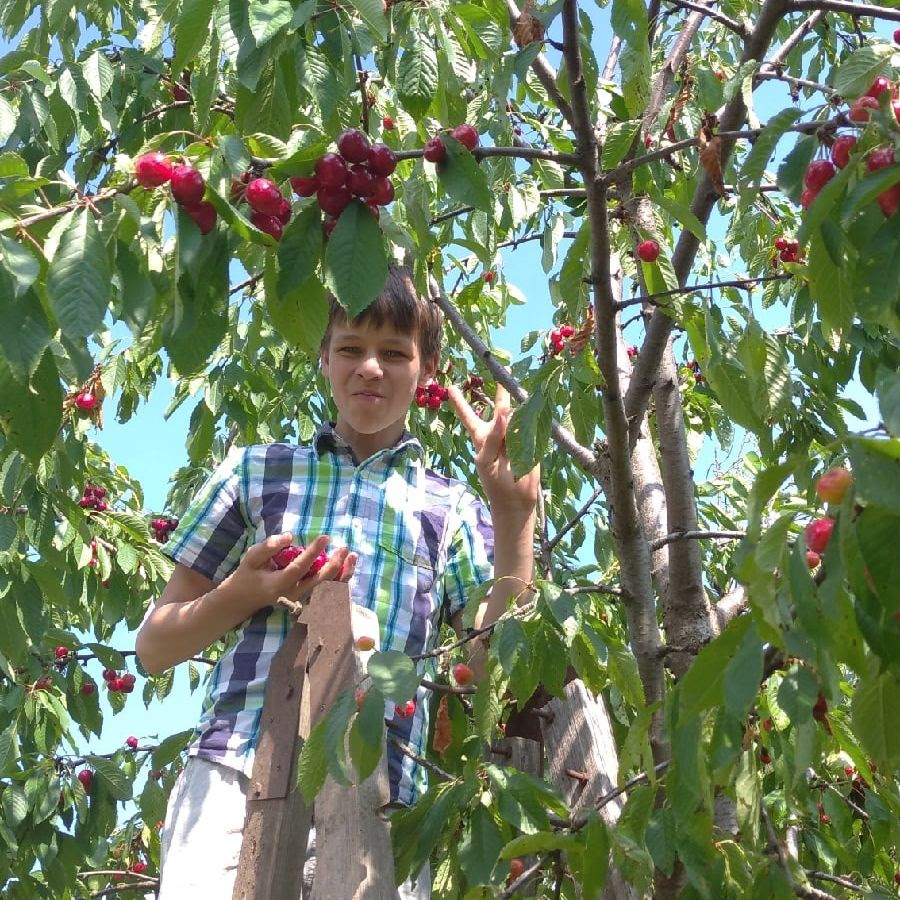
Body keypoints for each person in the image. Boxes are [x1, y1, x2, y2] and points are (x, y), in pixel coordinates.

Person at [135, 265, 539, 898]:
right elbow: (154, 647)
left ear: (426, 368)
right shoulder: (256, 472)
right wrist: (245, 594)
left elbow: (491, 671)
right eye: (350, 347)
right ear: (323, 356)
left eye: (394, 353)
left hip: (383, 794)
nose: (369, 367)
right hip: (235, 772)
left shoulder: (450, 509)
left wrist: (515, 519)